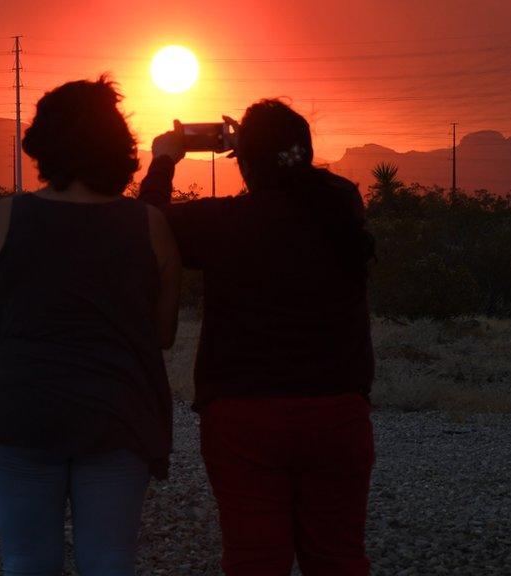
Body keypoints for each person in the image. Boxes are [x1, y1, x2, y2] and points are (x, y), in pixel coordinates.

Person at [139, 99, 376, 576]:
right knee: (338, 558)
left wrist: (165, 158)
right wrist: (262, 152)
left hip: (243, 415)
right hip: (337, 411)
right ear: (304, 153)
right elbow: (318, 184)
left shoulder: (224, 223)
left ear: (243, 161)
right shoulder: (340, 206)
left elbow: (145, 225)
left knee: (254, 561)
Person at [0, 76, 181, 576]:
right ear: (118, 146)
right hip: (118, 416)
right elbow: (163, 335)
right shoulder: (150, 225)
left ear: (43, 143)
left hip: (19, 414)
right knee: (110, 561)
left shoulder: (1, 218)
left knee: (26, 561)